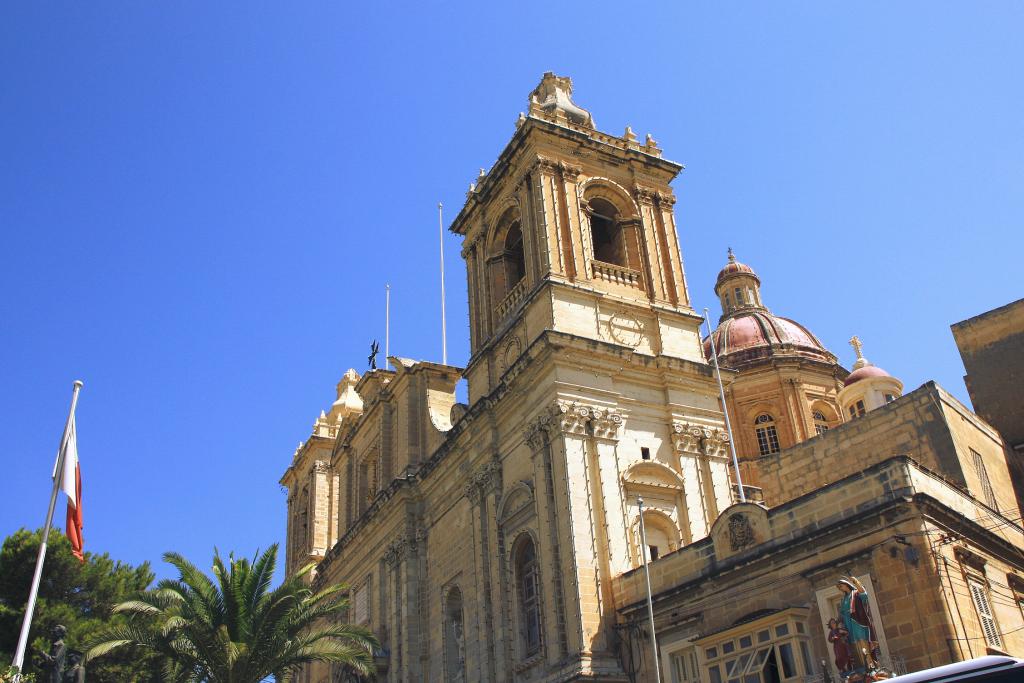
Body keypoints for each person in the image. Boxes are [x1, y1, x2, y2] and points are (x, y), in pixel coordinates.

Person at [837, 577, 877, 675]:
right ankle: (862, 665)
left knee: (862, 640)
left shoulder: (856, 593)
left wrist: (856, 582)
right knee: (854, 644)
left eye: (841, 586)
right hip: (848, 623)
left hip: (857, 620)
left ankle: (870, 665)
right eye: (839, 588)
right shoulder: (844, 599)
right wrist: (840, 624)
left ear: (846, 584)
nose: (841, 589)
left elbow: (864, 595)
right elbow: (841, 613)